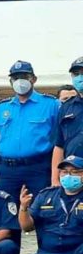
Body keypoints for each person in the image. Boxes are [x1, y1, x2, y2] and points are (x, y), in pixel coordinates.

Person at [0, 60, 60, 204]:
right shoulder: (2, 107)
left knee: (43, 212)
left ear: (34, 79)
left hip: (39, 168)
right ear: (11, 81)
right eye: (15, 77)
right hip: (8, 171)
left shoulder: (51, 104)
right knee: (7, 213)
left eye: (24, 76)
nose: (20, 81)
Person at [17, 155, 83, 254]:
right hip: (51, 253)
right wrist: (23, 208)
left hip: (78, 252)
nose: (69, 176)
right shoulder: (46, 195)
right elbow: (27, 226)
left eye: (75, 172)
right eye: (65, 172)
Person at [52, 57, 83, 186]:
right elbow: (58, 146)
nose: (80, 77)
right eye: (76, 74)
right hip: (73, 175)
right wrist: (55, 180)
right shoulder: (66, 107)